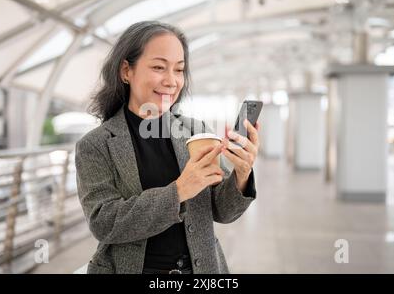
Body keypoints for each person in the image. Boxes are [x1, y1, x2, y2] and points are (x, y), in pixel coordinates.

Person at [75, 21, 260, 274]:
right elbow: (104, 222)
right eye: (159, 67)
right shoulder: (96, 145)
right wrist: (179, 190)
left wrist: (242, 174)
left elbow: (222, 210)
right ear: (126, 71)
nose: (172, 81)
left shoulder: (196, 131)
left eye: (179, 70)